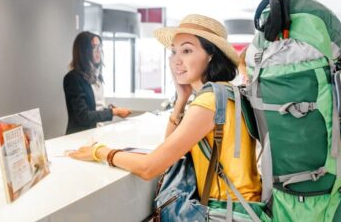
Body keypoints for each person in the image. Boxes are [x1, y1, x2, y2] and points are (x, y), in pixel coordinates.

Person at [69, 15, 261, 204]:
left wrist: (100, 151)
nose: (176, 61)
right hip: (241, 207)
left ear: (211, 56)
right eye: (173, 52)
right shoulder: (224, 91)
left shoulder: (209, 101)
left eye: (186, 51)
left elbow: (149, 167)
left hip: (230, 212)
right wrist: (182, 99)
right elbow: (169, 147)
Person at [63, 31, 132, 135]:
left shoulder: (96, 76)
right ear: (83, 51)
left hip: (97, 133)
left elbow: (95, 107)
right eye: (94, 48)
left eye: (100, 47)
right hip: (80, 137)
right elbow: (83, 116)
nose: (98, 51)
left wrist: (109, 109)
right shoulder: (73, 78)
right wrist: (114, 112)